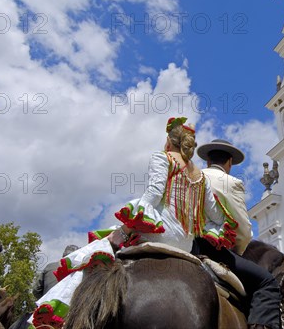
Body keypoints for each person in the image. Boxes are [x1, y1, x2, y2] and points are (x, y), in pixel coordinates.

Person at [31, 117, 236, 327]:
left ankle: (61, 319)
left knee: (93, 257)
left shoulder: (163, 158)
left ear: (169, 140)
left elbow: (154, 192)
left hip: (158, 233)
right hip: (184, 243)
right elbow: (218, 216)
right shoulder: (200, 176)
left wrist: (128, 225)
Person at [194, 139, 281, 329]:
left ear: (207, 161)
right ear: (229, 163)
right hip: (213, 249)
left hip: (186, 244)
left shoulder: (191, 177)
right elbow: (242, 228)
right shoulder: (231, 182)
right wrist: (238, 252)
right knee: (267, 283)